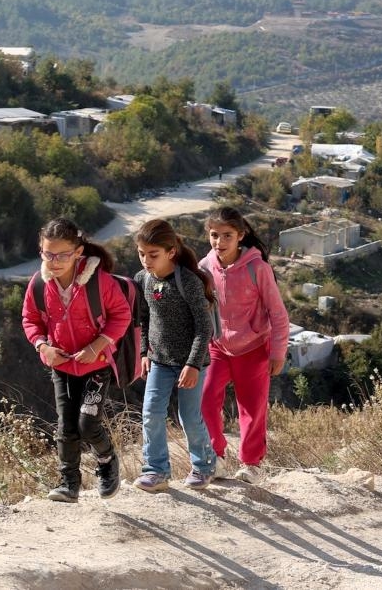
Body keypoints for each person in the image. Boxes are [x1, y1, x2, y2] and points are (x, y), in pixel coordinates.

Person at [21, 217, 131, 503]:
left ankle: (107, 462)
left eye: (62, 255)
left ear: (78, 252)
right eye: (48, 254)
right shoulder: (38, 284)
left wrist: (97, 346)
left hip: (96, 366)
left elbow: (121, 316)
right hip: (61, 366)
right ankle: (69, 483)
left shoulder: (100, 282)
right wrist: (42, 346)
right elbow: (30, 319)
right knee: (66, 426)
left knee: (87, 424)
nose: (54, 261)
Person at [199, 206, 290, 483]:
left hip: (253, 348)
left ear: (241, 236)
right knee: (204, 400)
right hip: (217, 347)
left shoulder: (257, 268)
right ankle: (216, 455)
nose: (220, 242)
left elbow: (278, 313)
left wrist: (277, 352)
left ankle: (251, 465)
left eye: (227, 235)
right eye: (215, 235)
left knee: (252, 408)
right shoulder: (204, 268)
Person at [132, 219, 217, 492]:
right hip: (159, 361)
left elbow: (205, 328)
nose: (146, 260)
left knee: (189, 417)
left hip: (191, 362)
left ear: (170, 252)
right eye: (142, 254)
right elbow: (145, 319)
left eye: (153, 255)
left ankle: (204, 466)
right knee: (151, 414)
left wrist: (193, 364)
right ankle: (156, 471)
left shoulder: (188, 281)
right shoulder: (142, 279)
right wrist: (144, 352)